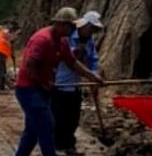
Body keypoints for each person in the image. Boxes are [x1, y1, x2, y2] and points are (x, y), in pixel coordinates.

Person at [14, 8, 104, 156]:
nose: (74, 30)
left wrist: (92, 77)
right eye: (71, 26)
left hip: (43, 88)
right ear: (61, 24)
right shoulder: (42, 39)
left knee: (33, 130)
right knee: (46, 126)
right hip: (29, 89)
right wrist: (43, 82)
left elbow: (72, 63)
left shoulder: (62, 41)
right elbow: (30, 65)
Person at [52, 11, 103, 155]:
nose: (92, 32)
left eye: (94, 30)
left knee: (73, 118)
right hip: (60, 83)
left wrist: (95, 76)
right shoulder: (67, 36)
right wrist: (91, 75)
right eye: (91, 28)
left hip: (76, 84)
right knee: (59, 117)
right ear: (84, 25)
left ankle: (69, 145)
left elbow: (93, 60)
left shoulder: (89, 41)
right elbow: (70, 61)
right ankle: (57, 145)